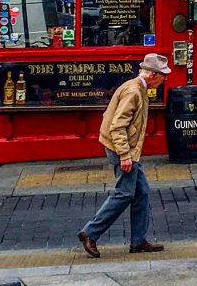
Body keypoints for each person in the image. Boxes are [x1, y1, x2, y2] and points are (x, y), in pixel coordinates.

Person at [78, 53, 171, 257]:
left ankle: (138, 241)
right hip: (120, 149)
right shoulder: (134, 91)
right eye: (163, 75)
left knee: (142, 191)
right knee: (125, 193)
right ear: (154, 75)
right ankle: (90, 233)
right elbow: (117, 126)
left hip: (126, 149)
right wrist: (125, 155)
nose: (165, 79)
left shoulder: (139, 88)